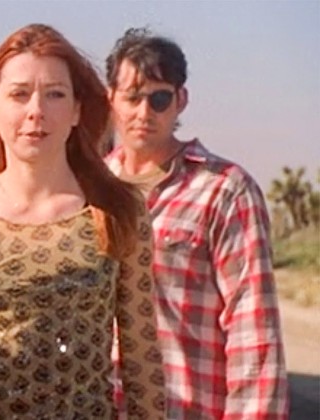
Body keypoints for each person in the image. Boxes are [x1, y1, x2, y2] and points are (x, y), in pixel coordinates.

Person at [0, 23, 166, 419]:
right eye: (19, 94)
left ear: (76, 110)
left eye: (55, 94)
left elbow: (142, 357)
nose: (36, 111)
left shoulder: (117, 210)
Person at [104, 27, 287, 418]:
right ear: (111, 98)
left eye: (158, 99)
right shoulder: (88, 189)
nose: (143, 113)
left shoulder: (225, 191)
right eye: (132, 97)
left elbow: (253, 333)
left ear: (180, 100)